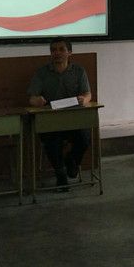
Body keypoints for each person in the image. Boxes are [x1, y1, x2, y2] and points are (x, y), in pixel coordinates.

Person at [27, 37, 92, 190]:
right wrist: (37, 100)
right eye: (53, 50)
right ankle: (60, 173)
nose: (57, 53)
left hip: (74, 118)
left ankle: (72, 160)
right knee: (51, 139)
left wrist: (84, 99)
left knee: (85, 137)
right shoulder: (42, 72)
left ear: (69, 52)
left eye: (61, 49)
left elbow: (88, 94)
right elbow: (32, 98)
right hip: (51, 119)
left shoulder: (78, 71)